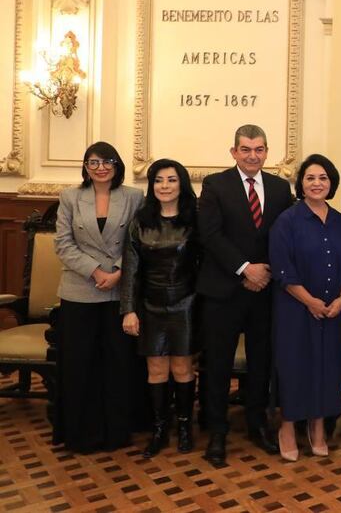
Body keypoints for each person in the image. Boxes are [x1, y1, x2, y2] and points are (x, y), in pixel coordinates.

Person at [197, 125, 295, 467]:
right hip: (224, 290)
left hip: (265, 291)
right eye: (245, 149)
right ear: (234, 152)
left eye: (259, 149)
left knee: (261, 362)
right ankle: (218, 432)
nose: (252, 155)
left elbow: (286, 235)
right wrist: (244, 268)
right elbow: (209, 235)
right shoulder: (215, 185)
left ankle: (257, 425)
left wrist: (264, 270)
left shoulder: (281, 189)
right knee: (218, 364)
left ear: (267, 152)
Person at [54, 142, 144, 453]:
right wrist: (95, 272)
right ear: (85, 166)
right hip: (80, 291)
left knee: (117, 365)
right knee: (81, 364)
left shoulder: (133, 197)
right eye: (93, 162)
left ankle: (116, 432)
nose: (100, 167)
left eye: (107, 161)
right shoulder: (70, 197)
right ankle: (82, 433)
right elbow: (63, 245)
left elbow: (139, 240)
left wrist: (119, 271)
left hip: (120, 290)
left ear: (117, 164)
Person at [269, 154, 341, 462]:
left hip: (332, 310)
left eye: (323, 178)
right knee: (295, 368)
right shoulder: (287, 220)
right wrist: (310, 301)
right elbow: (282, 268)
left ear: (331, 183)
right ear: (301, 183)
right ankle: (288, 427)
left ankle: (318, 428)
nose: (317, 184)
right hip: (295, 309)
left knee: (327, 369)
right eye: (310, 178)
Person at [120, 158, 200, 458]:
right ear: (152, 186)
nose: (164, 186)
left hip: (186, 304)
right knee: (155, 369)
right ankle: (158, 429)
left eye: (171, 180)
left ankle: (183, 428)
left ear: (181, 184)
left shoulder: (195, 219)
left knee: (182, 367)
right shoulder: (140, 222)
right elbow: (130, 271)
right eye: (158, 181)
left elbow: (203, 266)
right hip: (150, 305)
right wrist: (128, 310)